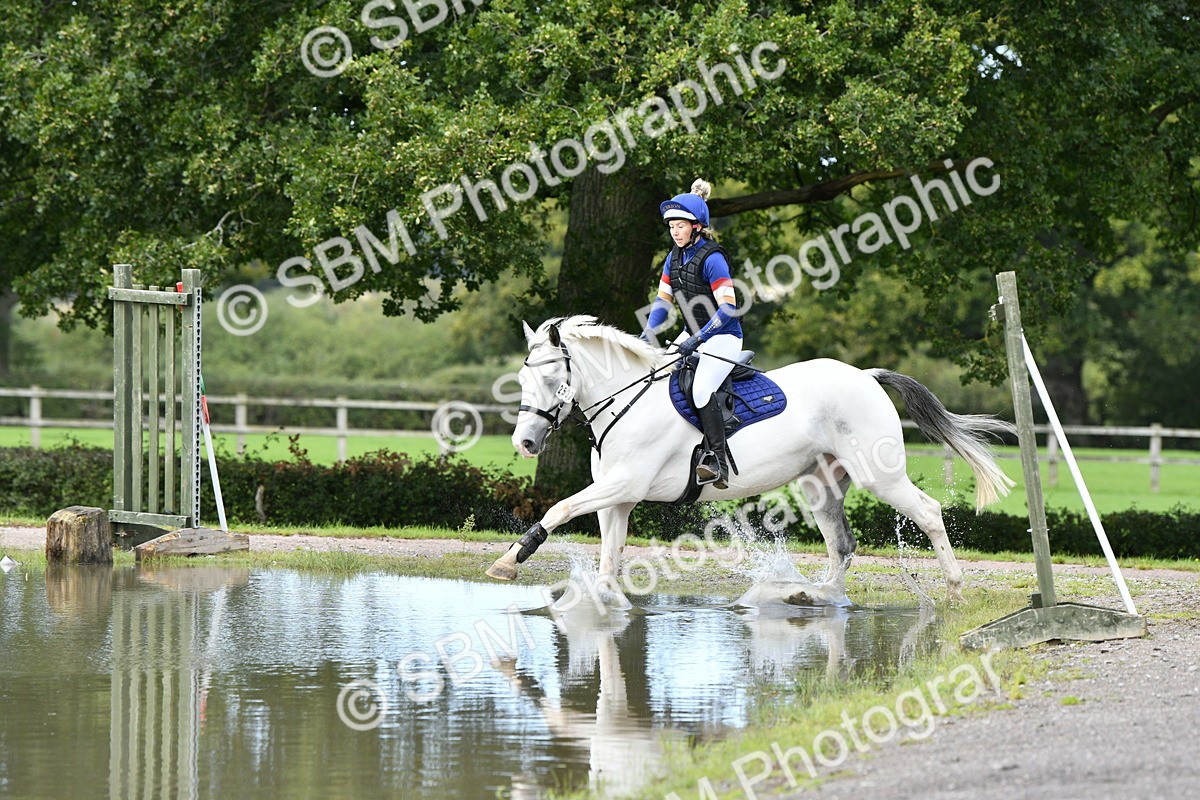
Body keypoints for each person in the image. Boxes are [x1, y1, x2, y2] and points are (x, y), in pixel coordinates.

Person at [639, 178, 742, 489]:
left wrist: (697, 340)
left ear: (697, 226)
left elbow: (728, 309)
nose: (674, 231)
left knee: (700, 390)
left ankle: (718, 461)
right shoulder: (675, 256)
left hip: (723, 336)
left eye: (680, 225)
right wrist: (646, 335)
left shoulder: (713, 258)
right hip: (690, 334)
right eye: (672, 226)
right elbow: (662, 301)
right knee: (652, 374)